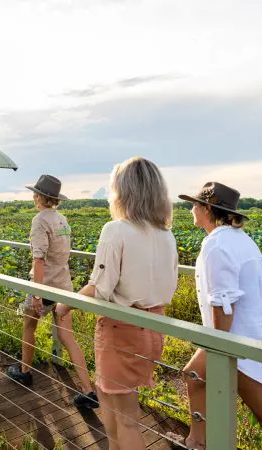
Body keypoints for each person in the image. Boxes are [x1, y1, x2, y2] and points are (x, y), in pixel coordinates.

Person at [176, 182, 262, 450]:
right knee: (193, 374)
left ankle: (197, 442)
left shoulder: (217, 245)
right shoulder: (237, 239)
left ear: (206, 208)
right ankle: (196, 441)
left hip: (240, 345)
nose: (191, 209)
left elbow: (224, 304)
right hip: (243, 336)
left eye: (194, 205)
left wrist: (219, 348)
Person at [78, 157, 178, 450]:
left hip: (121, 330)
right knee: (109, 400)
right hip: (153, 327)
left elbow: (101, 289)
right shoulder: (166, 234)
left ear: (122, 191)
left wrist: (64, 303)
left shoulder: (116, 230)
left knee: (127, 419)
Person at [5, 174, 98, 409]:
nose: (33, 196)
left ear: (40, 197)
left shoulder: (39, 221)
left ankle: (25, 371)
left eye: (35, 193)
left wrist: (36, 294)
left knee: (29, 325)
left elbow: (39, 259)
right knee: (67, 336)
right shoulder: (63, 220)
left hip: (44, 285)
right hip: (64, 286)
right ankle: (88, 390)